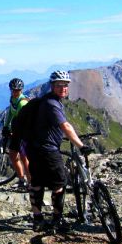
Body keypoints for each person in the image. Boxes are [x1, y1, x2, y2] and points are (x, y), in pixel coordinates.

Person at [26, 70, 91, 232]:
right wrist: (80, 145)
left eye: (66, 85)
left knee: (37, 183)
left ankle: (38, 219)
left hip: (34, 149)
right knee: (59, 184)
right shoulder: (52, 104)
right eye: (59, 85)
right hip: (48, 151)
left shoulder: (45, 100)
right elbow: (65, 126)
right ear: (52, 86)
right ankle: (56, 219)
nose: (63, 88)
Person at [2, 78, 31, 189]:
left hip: (24, 133)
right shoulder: (13, 99)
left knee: (24, 158)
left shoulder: (22, 103)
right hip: (16, 131)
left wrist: (14, 132)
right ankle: (21, 180)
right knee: (13, 155)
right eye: (13, 90)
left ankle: (30, 183)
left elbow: (23, 121)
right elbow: (10, 113)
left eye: (17, 90)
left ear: (21, 90)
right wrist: (6, 126)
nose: (15, 92)